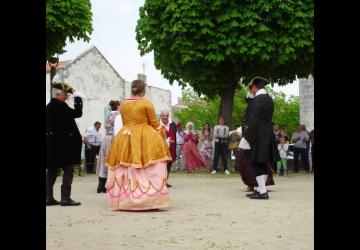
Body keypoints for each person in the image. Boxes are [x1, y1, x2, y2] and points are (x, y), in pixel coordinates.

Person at [105, 79, 172, 211]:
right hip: (144, 135)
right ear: (144, 90)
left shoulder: (123, 104)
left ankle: (124, 200)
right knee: (150, 165)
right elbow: (154, 122)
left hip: (125, 135)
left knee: (125, 166)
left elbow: (125, 122)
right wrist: (162, 131)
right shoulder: (146, 103)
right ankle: (149, 200)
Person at [46, 82, 84, 206]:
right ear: (57, 94)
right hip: (65, 146)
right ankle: (65, 198)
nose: (67, 97)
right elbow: (78, 114)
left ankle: (48, 198)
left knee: (51, 171)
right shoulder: (61, 106)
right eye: (65, 94)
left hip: (52, 146)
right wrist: (78, 99)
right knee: (68, 169)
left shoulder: (48, 107)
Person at [243, 77, 277, 199]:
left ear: (255, 87)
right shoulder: (269, 99)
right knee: (263, 162)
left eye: (251, 88)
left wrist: (247, 137)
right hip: (267, 134)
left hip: (258, 135)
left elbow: (253, 120)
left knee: (256, 162)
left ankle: (262, 192)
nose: (250, 90)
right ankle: (259, 189)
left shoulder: (258, 100)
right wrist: (251, 101)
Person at [237, 90, 275, 192]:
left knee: (256, 163)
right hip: (249, 139)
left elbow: (255, 125)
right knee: (244, 163)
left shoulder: (258, 108)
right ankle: (257, 186)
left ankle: (260, 187)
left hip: (255, 139)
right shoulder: (249, 110)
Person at [95, 100, 122, 193]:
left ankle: (100, 186)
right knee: (111, 161)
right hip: (113, 139)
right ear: (118, 106)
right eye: (121, 105)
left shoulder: (110, 114)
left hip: (106, 139)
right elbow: (118, 130)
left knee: (104, 161)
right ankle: (108, 185)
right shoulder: (118, 115)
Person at [160, 110, 177, 187]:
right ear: (161, 116)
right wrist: (167, 141)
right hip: (160, 150)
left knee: (168, 166)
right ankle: (160, 183)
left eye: (166, 116)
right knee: (161, 166)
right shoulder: (157, 125)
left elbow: (175, 135)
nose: (165, 117)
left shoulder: (172, 124)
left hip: (171, 149)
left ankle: (165, 182)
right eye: (163, 115)